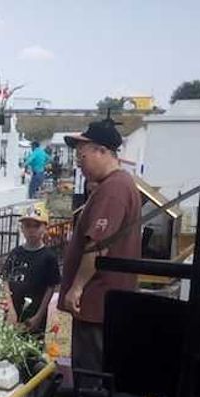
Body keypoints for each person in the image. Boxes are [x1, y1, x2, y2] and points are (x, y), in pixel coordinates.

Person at [60, 119, 141, 374]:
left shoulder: (113, 190)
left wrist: (77, 287)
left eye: (82, 156)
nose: (79, 163)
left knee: (90, 375)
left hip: (95, 302)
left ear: (102, 151)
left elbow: (97, 245)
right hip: (104, 303)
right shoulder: (116, 185)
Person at [1, 201, 60, 336]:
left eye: (36, 226)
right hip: (13, 311)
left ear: (45, 228)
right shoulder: (16, 253)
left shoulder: (48, 257)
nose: (31, 230)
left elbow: (51, 287)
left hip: (33, 314)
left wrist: (39, 316)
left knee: (31, 351)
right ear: (22, 228)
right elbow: (5, 279)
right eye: (27, 226)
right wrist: (10, 309)